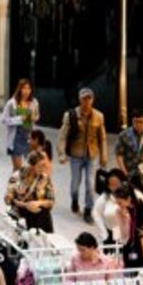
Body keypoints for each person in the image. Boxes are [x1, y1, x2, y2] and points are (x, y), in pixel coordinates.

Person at [58, 87, 108, 222]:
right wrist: (62, 154)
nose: (86, 101)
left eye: (89, 98)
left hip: (92, 155)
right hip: (76, 154)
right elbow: (63, 135)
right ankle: (74, 199)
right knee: (75, 183)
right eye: (84, 98)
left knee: (90, 184)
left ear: (93, 100)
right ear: (80, 100)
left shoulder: (99, 116)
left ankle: (88, 210)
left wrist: (104, 155)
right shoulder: (71, 115)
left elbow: (102, 138)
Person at [5, 150, 55, 233]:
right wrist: (26, 205)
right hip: (21, 214)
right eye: (40, 166)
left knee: (43, 214)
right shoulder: (17, 176)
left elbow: (51, 201)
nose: (43, 169)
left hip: (40, 216)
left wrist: (39, 203)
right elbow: (8, 199)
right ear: (32, 166)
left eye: (44, 166)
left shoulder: (44, 178)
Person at [115, 109, 143, 195]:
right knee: (130, 198)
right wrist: (124, 172)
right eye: (135, 122)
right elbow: (119, 155)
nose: (137, 125)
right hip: (129, 173)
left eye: (140, 122)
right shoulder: (123, 135)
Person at [113, 182, 143, 269]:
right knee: (130, 271)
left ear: (128, 199)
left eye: (120, 203)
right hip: (129, 243)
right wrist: (126, 219)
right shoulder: (118, 211)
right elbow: (124, 233)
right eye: (117, 202)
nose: (118, 205)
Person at [1, 79, 40, 170]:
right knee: (18, 169)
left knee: (32, 168)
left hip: (30, 137)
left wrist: (34, 117)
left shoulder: (34, 102)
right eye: (24, 88)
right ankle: (14, 184)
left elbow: (37, 115)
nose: (26, 91)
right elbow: (4, 120)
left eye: (28, 88)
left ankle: (25, 184)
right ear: (19, 89)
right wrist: (19, 119)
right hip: (16, 137)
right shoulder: (12, 103)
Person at [93, 168, 127, 246]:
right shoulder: (105, 197)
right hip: (111, 231)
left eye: (117, 184)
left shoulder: (129, 196)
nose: (114, 188)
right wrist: (103, 233)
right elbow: (96, 213)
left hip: (127, 232)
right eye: (111, 185)